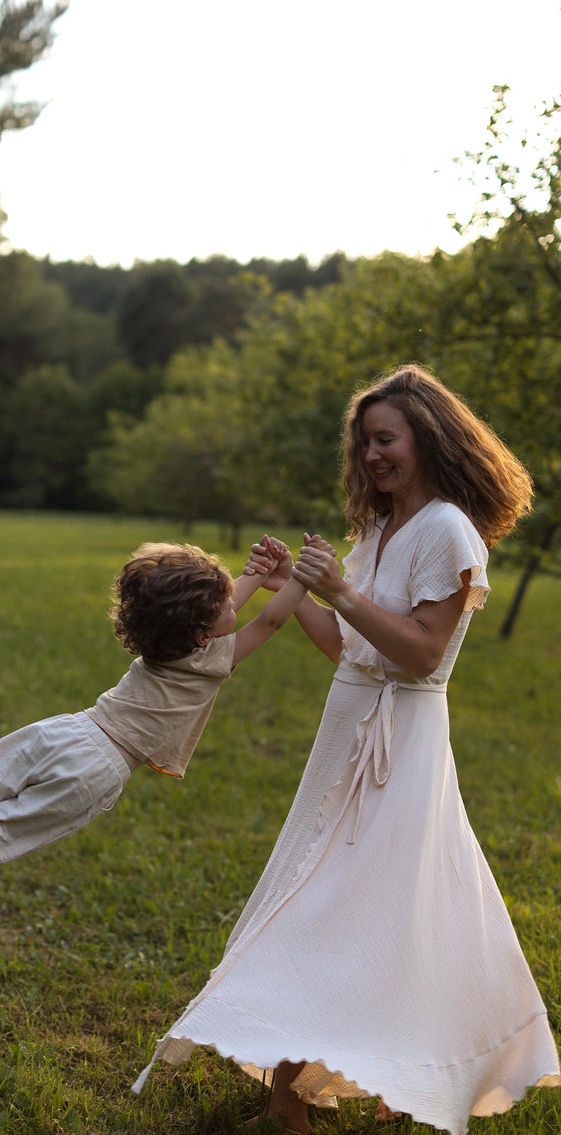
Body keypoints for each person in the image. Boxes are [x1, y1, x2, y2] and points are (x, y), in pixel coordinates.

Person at [134, 365, 560, 1135]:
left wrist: (343, 591)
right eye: (364, 442)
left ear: (429, 438)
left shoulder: (448, 531)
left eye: (385, 439)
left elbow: (422, 655)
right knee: (362, 907)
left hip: (402, 739)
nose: (371, 455)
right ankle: (366, 1075)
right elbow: (348, 647)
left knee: (334, 909)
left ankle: (290, 1104)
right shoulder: (380, 530)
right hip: (349, 727)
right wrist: (289, 588)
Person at [0, 535, 334, 887]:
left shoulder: (166, 641)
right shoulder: (211, 659)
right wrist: (299, 578)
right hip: (99, 766)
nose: (235, 604)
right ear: (203, 635)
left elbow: (218, 612)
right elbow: (270, 622)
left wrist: (256, 574)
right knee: (7, 826)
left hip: (66, 731)